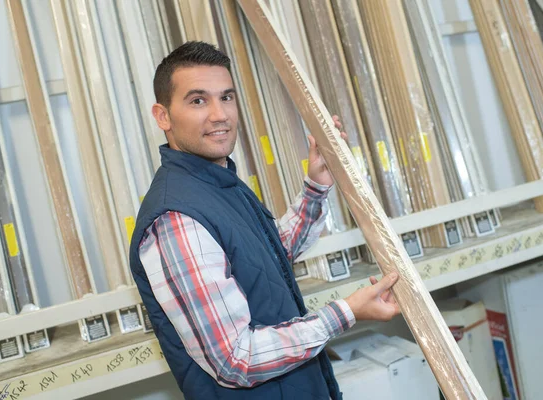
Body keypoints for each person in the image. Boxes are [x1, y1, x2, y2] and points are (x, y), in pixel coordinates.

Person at [129, 41, 400, 400]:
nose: (219, 114)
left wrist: (317, 185)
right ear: (162, 116)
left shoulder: (219, 182)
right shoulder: (176, 218)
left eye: (226, 97)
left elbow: (267, 256)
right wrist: (346, 312)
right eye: (198, 101)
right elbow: (235, 359)